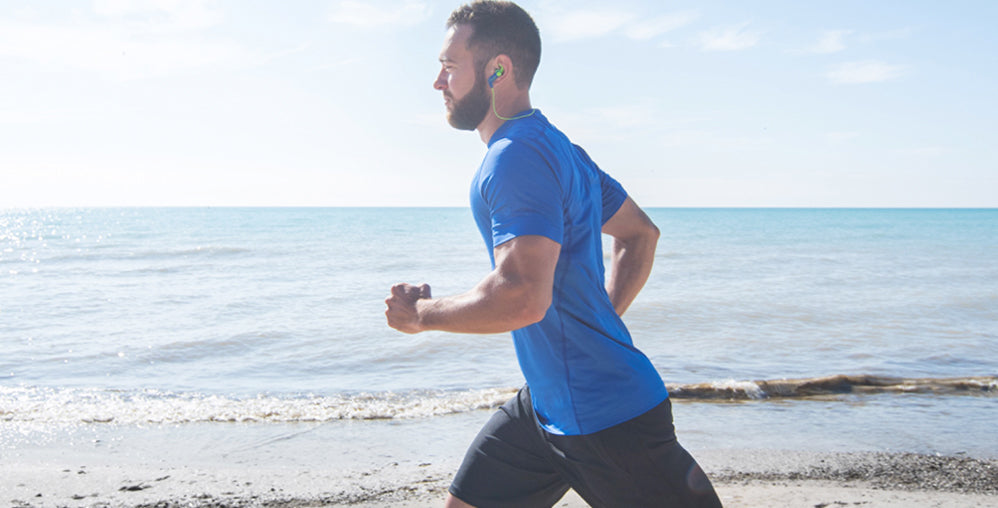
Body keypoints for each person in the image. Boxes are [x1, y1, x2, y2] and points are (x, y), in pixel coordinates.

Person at [385, 2, 723, 507]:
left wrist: (421, 316)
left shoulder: (515, 157)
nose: (439, 82)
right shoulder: (559, 149)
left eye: (450, 66)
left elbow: (522, 297)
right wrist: (594, 324)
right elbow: (640, 235)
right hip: (543, 407)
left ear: (497, 69)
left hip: (607, 415)